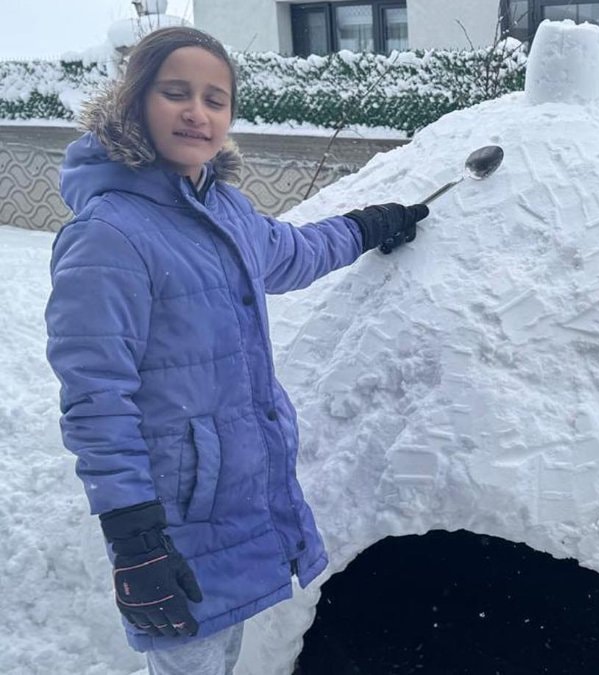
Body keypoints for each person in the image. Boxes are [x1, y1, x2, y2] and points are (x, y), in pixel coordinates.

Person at [44, 27, 427, 674]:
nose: (198, 112)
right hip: (170, 522)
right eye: (176, 92)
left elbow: (296, 253)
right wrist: (135, 539)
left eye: (215, 99)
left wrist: (370, 225)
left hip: (238, 499)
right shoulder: (107, 235)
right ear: (135, 101)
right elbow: (94, 398)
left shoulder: (224, 212)